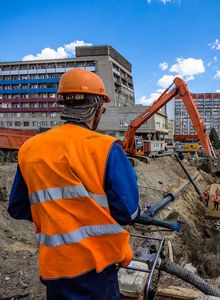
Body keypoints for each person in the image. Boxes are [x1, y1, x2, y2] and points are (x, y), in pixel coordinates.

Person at [8, 68, 140, 300]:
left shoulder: (30, 147)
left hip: (54, 266)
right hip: (97, 268)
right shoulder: (105, 147)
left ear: (65, 105)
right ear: (98, 109)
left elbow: (18, 207)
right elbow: (127, 213)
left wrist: (58, 217)